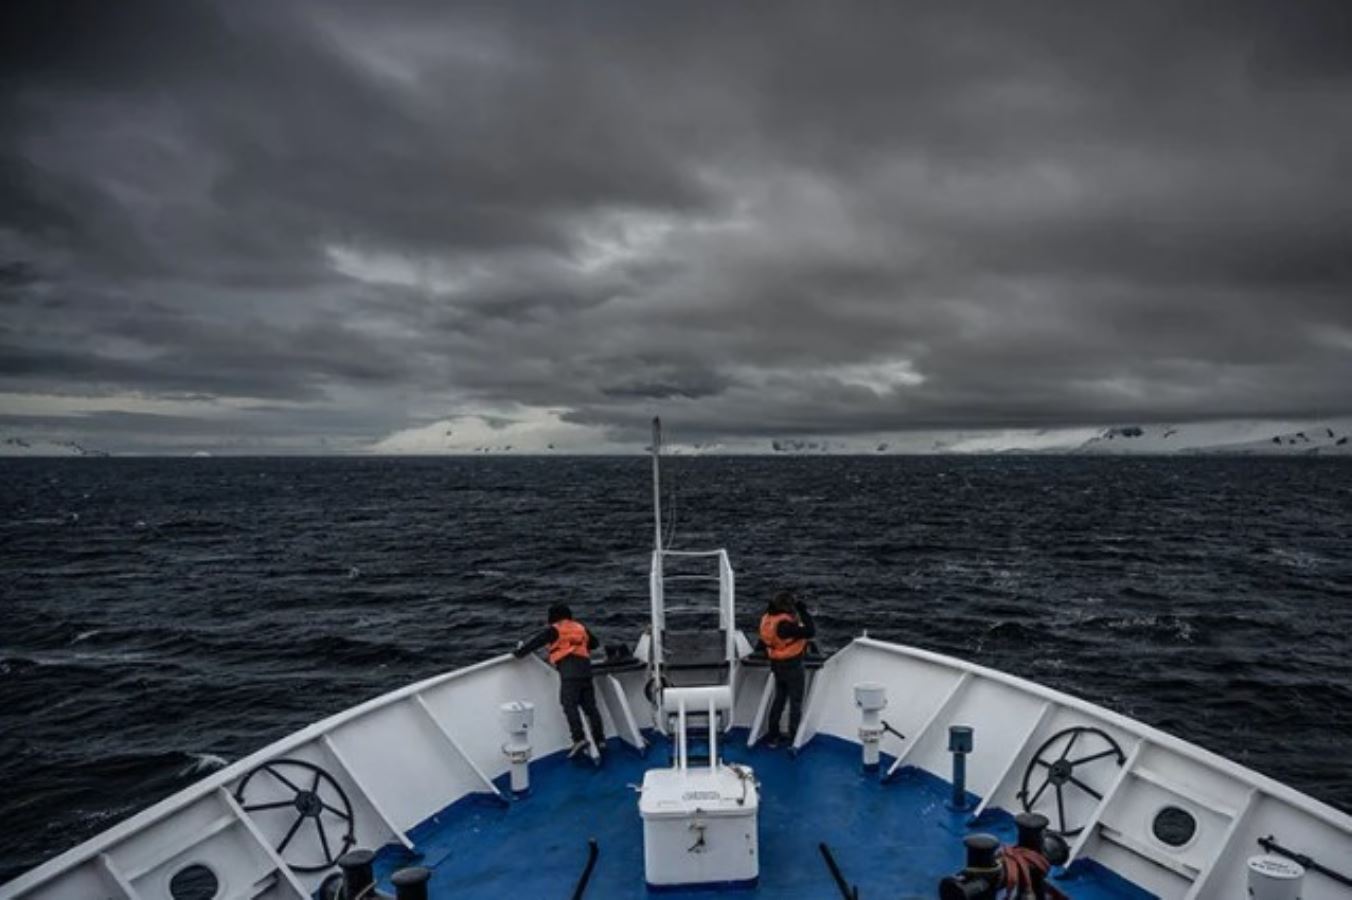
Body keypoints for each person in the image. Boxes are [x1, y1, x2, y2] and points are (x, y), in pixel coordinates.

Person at [513, 603, 605, 758]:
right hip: (586, 670)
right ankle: (600, 739)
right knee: (591, 707)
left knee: (569, 705)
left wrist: (519, 653)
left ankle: (579, 739)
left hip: (569, 671)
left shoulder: (555, 629)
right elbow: (595, 644)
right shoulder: (580, 628)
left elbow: (535, 643)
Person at [758, 590, 815, 747]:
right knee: (795, 702)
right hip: (792, 665)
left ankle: (773, 735)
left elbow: (764, 641)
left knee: (779, 700)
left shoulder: (768, 619)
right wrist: (803, 611)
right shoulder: (784, 626)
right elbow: (810, 631)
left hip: (777, 664)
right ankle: (793, 737)